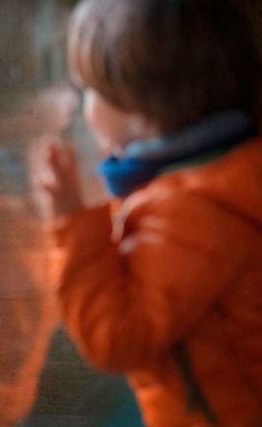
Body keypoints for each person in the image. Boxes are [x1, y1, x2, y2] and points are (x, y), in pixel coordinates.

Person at [33, 0, 262, 426]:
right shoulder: (228, 171)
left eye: (88, 92)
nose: (78, 109)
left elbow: (118, 339)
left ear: (137, 106)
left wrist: (70, 224)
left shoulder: (189, 211)